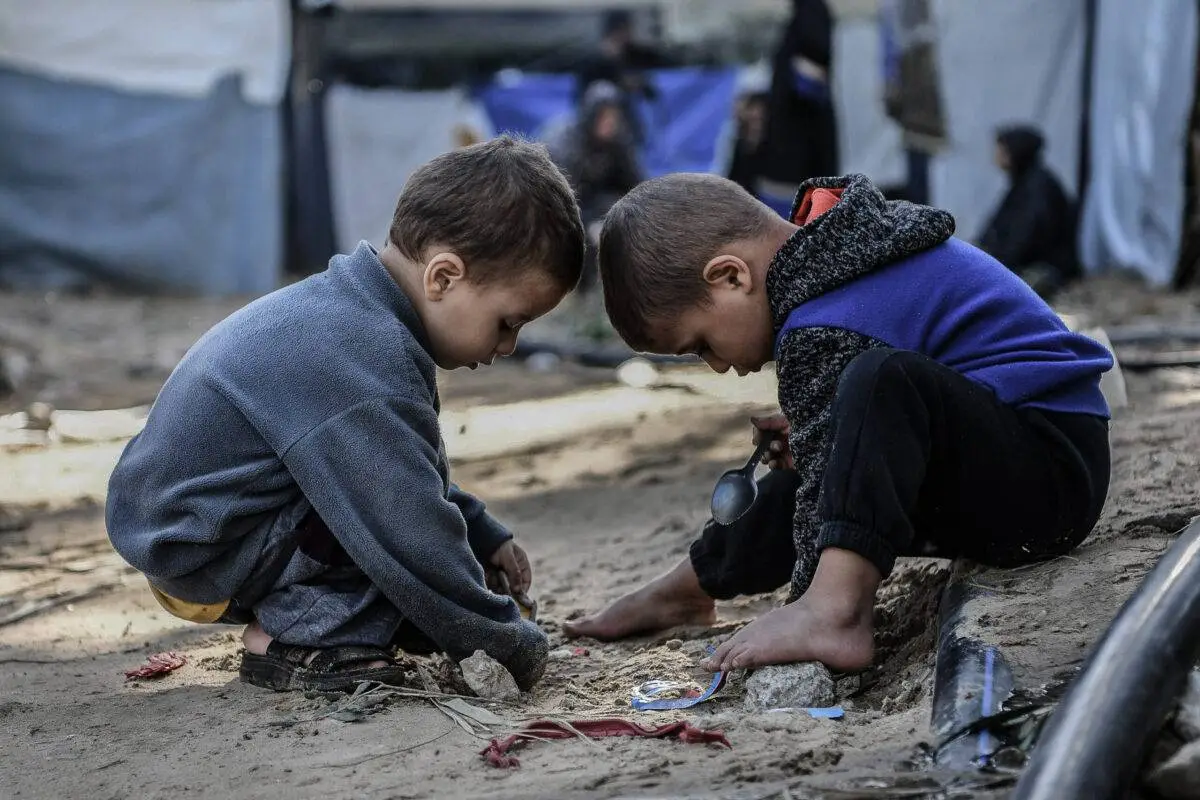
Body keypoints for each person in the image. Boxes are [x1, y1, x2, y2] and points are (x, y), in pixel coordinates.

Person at [566, 172, 1113, 675]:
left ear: (731, 276)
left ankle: (836, 611)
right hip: (1029, 456)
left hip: (1048, 478)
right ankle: (694, 584)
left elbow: (878, 413)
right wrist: (832, 437)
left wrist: (805, 600)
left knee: (879, 382)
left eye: (702, 345)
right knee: (821, 451)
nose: (717, 366)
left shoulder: (819, 323)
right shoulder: (837, 245)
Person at [106, 137, 585, 692]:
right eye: (508, 322)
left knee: (396, 534)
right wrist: (508, 644)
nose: (508, 347)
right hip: (200, 548)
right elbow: (406, 528)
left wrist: (478, 532)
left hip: (221, 522)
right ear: (443, 277)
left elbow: (406, 468)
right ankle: (290, 638)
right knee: (394, 546)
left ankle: (312, 611)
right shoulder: (356, 353)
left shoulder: (357, 317)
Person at [547, 81, 643, 294]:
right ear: (592, 116)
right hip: (564, 210)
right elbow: (560, 198)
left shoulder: (619, 140)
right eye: (605, 116)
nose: (611, 123)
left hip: (600, 203)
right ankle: (581, 291)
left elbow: (634, 184)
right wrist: (590, 223)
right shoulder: (565, 142)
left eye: (614, 116)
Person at [757, 0, 840, 217]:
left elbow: (810, 82)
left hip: (797, 150)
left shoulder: (812, 12)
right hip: (794, 145)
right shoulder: (804, 12)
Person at [978, 125, 1081, 299]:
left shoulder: (1039, 188)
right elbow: (997, 228)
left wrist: (1000, 262)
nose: (996, 156)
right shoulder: (1021, 184)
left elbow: (1027, 237)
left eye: (1002, 151)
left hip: (1046, 268)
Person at [726, 92, 769, 196]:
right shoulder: (739, 141)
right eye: (752, 108)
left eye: (760, 109)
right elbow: (733, 175)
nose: (756, 113)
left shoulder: (772, 141)